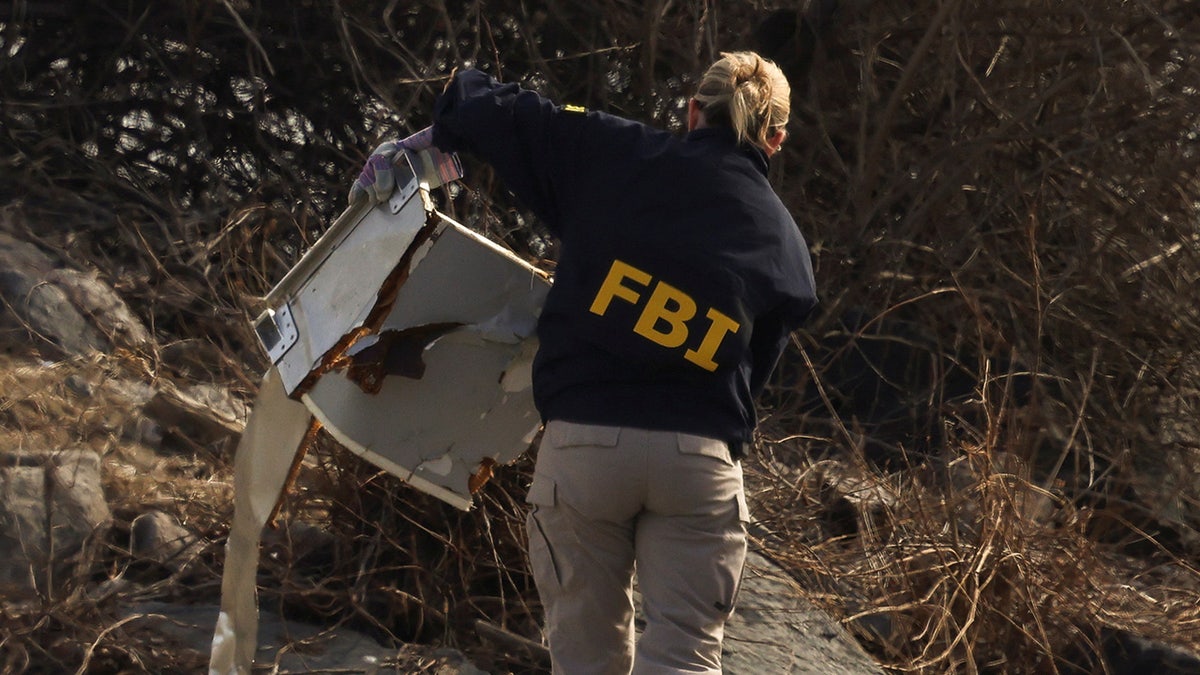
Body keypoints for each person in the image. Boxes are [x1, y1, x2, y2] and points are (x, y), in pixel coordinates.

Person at [354, 51, 817, 675]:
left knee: (586, 660)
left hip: (584, 451)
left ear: (691, 112)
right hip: (698, 463)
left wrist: (431, 140)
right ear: (777, 140)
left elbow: (487, 104)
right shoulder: (786, 242)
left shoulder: (613, 153)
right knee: (685, 657)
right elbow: (754, 377)